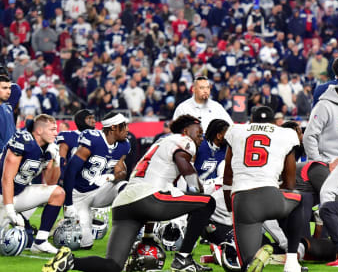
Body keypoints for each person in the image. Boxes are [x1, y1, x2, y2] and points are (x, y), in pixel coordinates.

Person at [43, 115, 215, 272]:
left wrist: (148, 236)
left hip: (124, 204)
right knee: (208, 202)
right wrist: (198, 192)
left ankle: (70, 261)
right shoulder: (184, 140)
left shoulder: (161, 143)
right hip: (148, 198)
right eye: (199, 132)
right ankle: (183, 259)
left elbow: (151, 184)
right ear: (185, 131)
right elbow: (182, 163)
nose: (201, 136)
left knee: (113, 265)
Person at [223, 106, 305, 272]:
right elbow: (290, 183)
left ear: (251, 121)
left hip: (242, 201)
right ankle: (291, 261)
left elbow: (228, 177)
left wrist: (230, 207)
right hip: (270, 197)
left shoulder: (236, 131)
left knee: (248, 264)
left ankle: (256, 258)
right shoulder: (285, 133)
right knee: (298, 199)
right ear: (275, 122)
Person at [62, 112, 130, 249]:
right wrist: (68, 203)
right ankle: (64, 223)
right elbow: (70, 171)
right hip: (79, 195)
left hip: (101, 191)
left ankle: (131, 230)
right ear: (113, 128)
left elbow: (121, 172)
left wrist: (113, 176)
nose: (127, 129)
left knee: (126, 187)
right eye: (124, 126)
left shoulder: (124, 145)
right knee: (84, 244)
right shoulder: (93, 140)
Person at [0, 114, 63, 254]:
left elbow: (51, 183)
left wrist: (56, 160)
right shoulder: (23, 140)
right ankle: (15, 217)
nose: (55, 133)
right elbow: (6, 178)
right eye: (52, 129)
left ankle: (41, 241)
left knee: (58, 193)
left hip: (19, 193)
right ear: (39, 130)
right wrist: (10, 210)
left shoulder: (48, 147)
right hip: (2, 195)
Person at [56, 109, 96, 178]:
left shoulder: (99, 136)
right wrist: (62, 179)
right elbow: (61, 161)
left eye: (93, 118)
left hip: (92, 178)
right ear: (81, 120)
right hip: (72, 178)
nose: (93, 121)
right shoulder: (68, 136)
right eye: (89, 118)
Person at [195, 118, 229, 184]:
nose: (230, 137)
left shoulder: (227, 148)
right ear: (219, 136)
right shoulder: (198, 144)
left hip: (213, 186)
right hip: (194, 186)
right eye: (227, 134)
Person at [0, 74, 16, 150]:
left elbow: (13, 132)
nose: (9, 92)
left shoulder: (8, 108)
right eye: (4, 88)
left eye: (9, 88)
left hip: (9, 155)